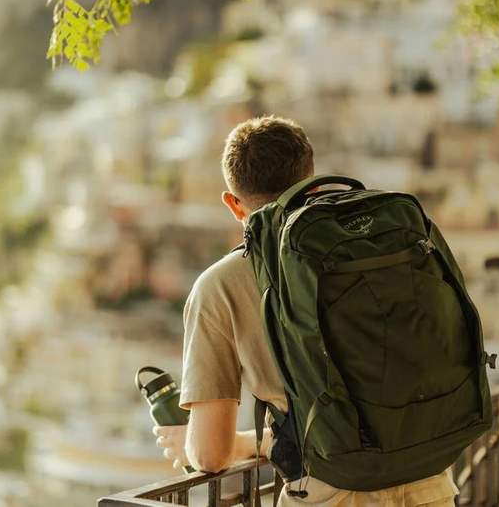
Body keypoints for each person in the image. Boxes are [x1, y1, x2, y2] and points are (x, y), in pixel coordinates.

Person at [153, 115, 459, 506]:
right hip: (428, 480)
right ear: (311, 181)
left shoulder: (221, 285)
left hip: (332, 493)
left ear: (233, 204)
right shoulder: (381, 243)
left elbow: (210, 454)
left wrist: (191, 446)